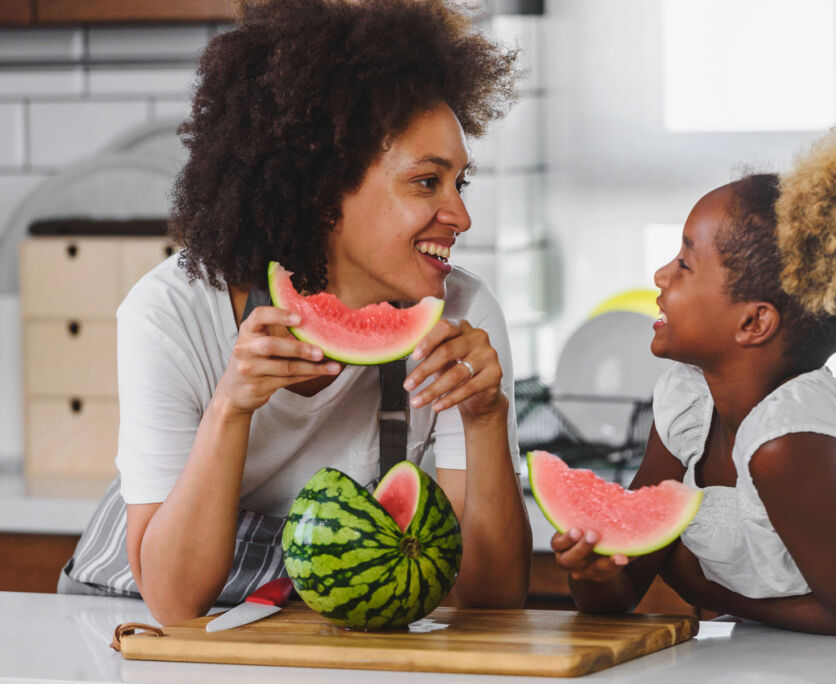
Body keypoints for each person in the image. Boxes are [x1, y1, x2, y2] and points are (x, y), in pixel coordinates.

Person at [59, 0, 531, 625]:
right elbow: (173, 603)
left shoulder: (463, 317)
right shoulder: (170, 313)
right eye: (426, 182)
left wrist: (485, 416)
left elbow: (494, 599)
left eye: (459, 184)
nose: (460, 216)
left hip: (324, 633)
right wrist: (231, 405)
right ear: (322, 187)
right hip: (130, 629)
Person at [550, 119, 836, 635]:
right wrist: (593, 571)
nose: (661, 276)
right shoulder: (687, 406)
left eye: (685, 262)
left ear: (753, 322)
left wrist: (704, 589)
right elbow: (624, 580)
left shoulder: (789, 444)